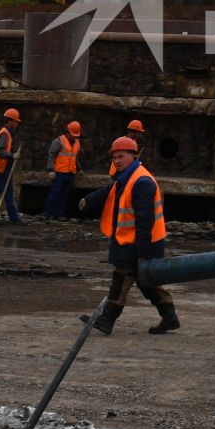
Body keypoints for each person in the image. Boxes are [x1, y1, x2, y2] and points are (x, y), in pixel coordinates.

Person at [79, 136, 178, 335]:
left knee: (122, 279)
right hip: (133, 241)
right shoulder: (125, 177)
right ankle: (169, 317)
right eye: (114, 157)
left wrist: (142, 253)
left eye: (121, 156)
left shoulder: (141, 181)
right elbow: (109, 191)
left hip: (141, 243)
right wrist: (89, 201)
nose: (117, 160)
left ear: (133, 156)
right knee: (146, 281)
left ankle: (106, 320)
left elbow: (145, 221)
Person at [42, 120, 82, 219]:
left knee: (64, 195)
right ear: (67, 132)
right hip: (59, 173)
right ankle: (46, 214)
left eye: (76, 135)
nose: (74, 137)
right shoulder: (59, 141)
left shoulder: (77, 143)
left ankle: (59, 215)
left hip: (70, 173)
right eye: (73, 135)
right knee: (55, 193)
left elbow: (75, 157)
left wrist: (79, 169)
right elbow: (51, 155)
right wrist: (50, 170)